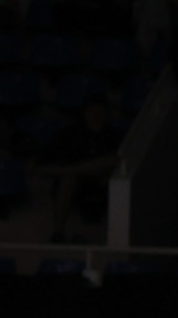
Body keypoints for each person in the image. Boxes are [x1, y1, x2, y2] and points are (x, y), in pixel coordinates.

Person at [37, 98, 121, 243]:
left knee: (112, 160)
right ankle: (58, 233)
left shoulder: (114, 135)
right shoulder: (70, 133)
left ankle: (68, 170)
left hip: (103, 183)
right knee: (68, 177)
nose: (95, 115)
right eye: (92, 112)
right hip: (76, 183)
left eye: (99, 112)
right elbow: (44, 158)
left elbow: (116, 161)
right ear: (85, 113)